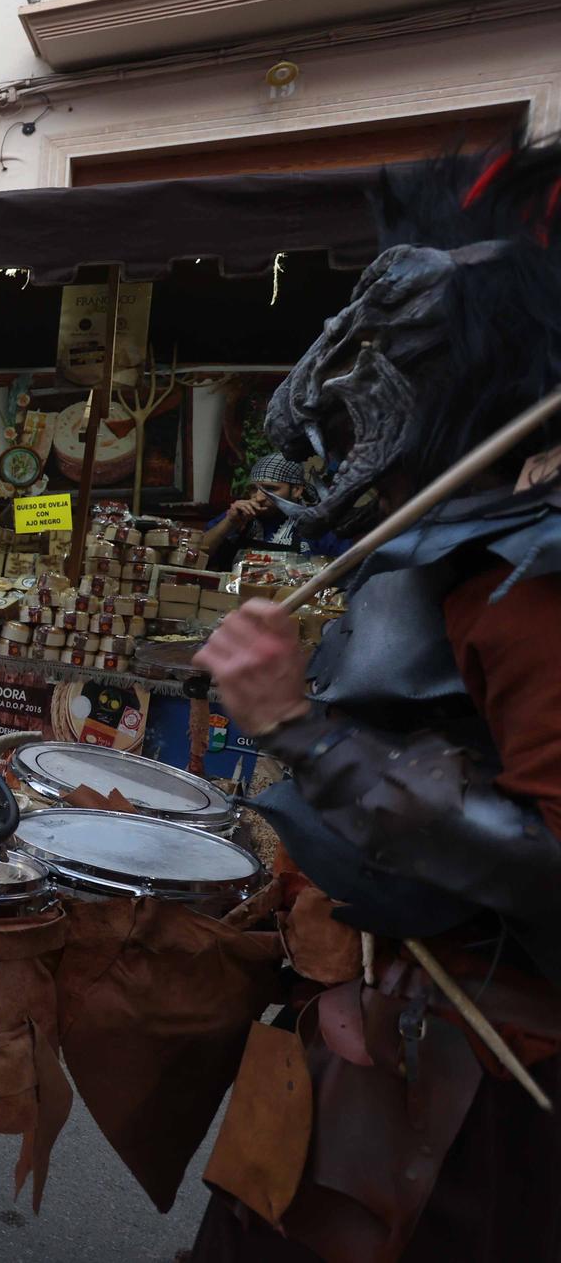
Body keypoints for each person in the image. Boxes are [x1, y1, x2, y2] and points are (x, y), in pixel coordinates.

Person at [187, 141, 561, 1260]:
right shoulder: (441, 553)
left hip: (488, 1060)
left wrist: (296, 729)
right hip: (388, 1003)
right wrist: (325, 961)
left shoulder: (532, 588)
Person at [201, 453, 340, 568]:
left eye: (271, 489)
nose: (259, 497)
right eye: (254, 489)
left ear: (296, 490)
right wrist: (229, 523)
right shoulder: (236, 516)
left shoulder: (318, 525)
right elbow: (196, 555)